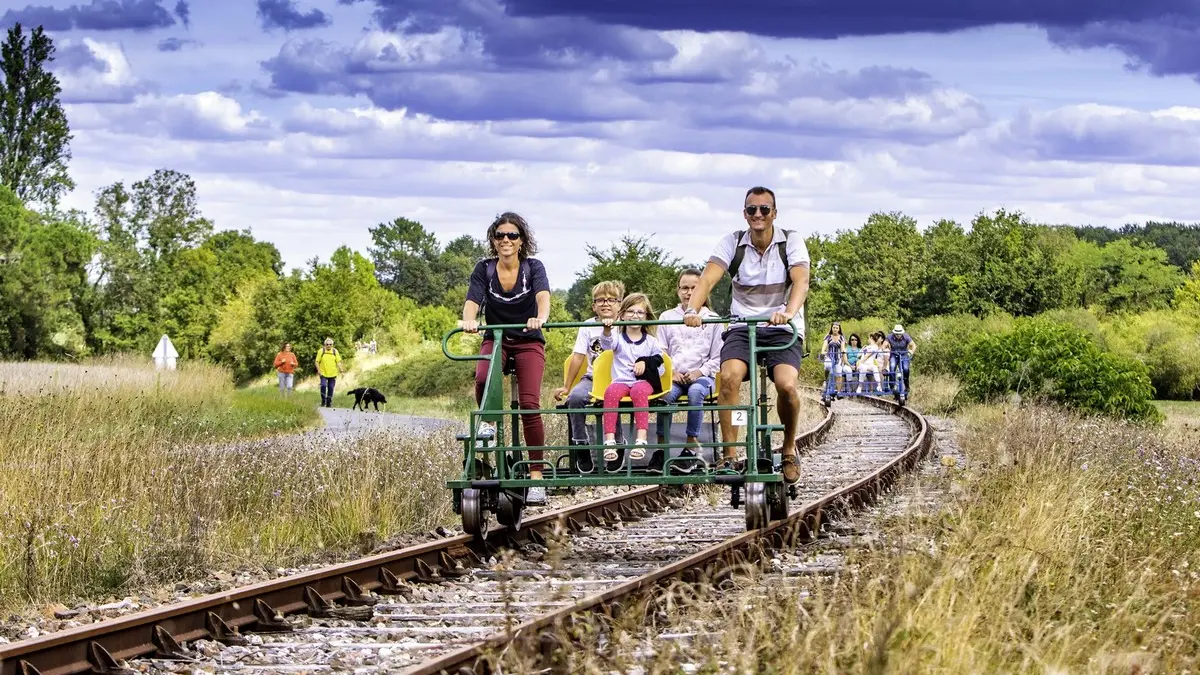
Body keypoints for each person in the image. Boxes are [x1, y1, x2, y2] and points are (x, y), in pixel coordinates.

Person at [683, 186, 810, 484]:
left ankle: (789, 448)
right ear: (745, 214)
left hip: (782, 327)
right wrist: (693, 309)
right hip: (743, 326)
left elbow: (801, 281)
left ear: (774, 214)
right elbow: (708, 277)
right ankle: (730, 455)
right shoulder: (733, 242)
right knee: (728, 378)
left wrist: (788, 312)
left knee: (787, 385)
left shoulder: (790, 241)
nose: (758, 215)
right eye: (752, 210)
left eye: (764, 209)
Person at [460, 212, 552, 504]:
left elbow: (543, 296)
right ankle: (487, 423)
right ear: (493, 240)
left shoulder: (533, 267)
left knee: (529, 404)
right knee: (484, 378)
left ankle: (536, 475)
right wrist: (469, 321)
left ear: (522, 241)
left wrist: (541, 318)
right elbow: (473, 300)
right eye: (500, 235)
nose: (506, 240)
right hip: (497, 337)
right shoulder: (484, 269)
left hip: (527, 340)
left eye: (512, 235)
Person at [552, 280, 626, 473]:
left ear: (619, 304)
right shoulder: (587, 326)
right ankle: (581, 444)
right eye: (600, 300)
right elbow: (578, 356)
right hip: (593, 378)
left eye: (611, 300)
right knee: (575, 399)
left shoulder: (626, 324)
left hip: (620, 378)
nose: (606, 303)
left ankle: (617, 443)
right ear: (594, 306)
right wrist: (567, 386)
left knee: (612, 396)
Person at [655, 269, 722, 473]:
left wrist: (699, 372)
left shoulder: (712, 319)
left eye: (694, 288)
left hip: (702, 377)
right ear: (678, 291)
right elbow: (659, 352)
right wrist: (671, 371)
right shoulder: (667, 317)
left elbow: (718, 356)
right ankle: (660, 448)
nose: (689, 292)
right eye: (685, 288)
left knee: (695, 393)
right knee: (664, 396)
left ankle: (691, 445)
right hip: (674, 377)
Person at [598, 293, 664, 466]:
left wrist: (646, 363)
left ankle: (641, 439)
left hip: (642, 383)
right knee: (610, 391)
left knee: (639, 391)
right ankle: (610, 441)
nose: (635, 316)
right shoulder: (618, 339)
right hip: (622, 381)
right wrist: (606, 329)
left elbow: (662, 366)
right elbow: (606, 345)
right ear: (622, 314)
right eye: (631, 311)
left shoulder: (650, 342)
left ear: (646, 316)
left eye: (640, 312)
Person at [885, 324, 917, 390]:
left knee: (906, 369)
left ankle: (906, 384)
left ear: (902, 333)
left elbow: (913, 345)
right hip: (894, 354)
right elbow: (884, 345)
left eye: (899, 334)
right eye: (896, 334)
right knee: (892, 367)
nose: (898, 335)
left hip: (904, 354)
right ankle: (892, 385)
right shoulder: (890, 337)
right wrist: (885, 348)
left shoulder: (906, 336)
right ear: (894, 333)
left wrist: (911, 352)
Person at [315, 338, 344, 407]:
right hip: (323, 373)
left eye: (330, 344)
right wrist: (318, 370)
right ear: (325, 344)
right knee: (323, 385)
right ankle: (323, 400)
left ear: (332, 345)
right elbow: (316, 361)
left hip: (333, 373)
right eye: (327, 344)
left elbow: (338, 362)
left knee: (331, 387)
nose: (329, 346)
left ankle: (329, 402)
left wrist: (342, 371)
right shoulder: (321, 351)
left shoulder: (335, 351)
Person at [820, 321, 847, 395]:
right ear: (831, 328)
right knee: (828, 366)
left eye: (836, 328)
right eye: (834, 328)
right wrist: (823, 351)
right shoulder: (828, 336)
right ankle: (826, 379)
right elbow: (824, 345)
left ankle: (839, 391)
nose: (835, 329)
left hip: (838, 358)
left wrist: (843, 352)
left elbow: (842, 347)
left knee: (839, 374)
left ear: (839, 329)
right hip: (829, 357)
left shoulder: (842, 337)